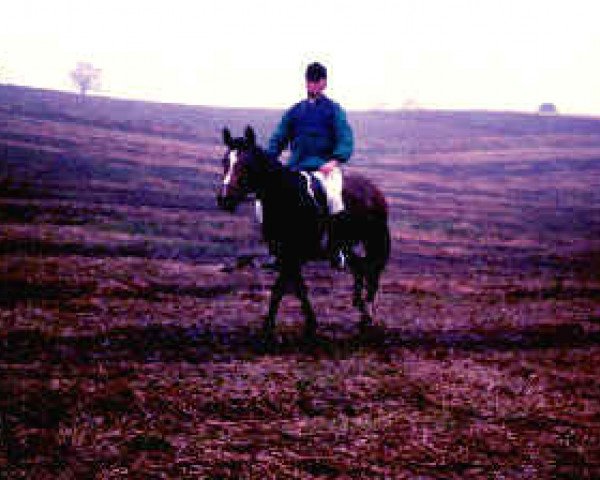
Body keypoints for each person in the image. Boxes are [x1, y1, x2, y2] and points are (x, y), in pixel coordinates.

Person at [264, 61, 354, 269]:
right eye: (309, 81)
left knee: (334, 199)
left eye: (316, 81)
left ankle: (337, 249)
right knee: (267, 202)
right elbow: (279, 137)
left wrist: (334, 160)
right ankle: (276, 250)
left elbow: (345, 137)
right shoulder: (295, 111)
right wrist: (270, 158)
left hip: (324, 168)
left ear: (323, 83)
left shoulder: (334, 110)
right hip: (297, 167)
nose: (312, 85)